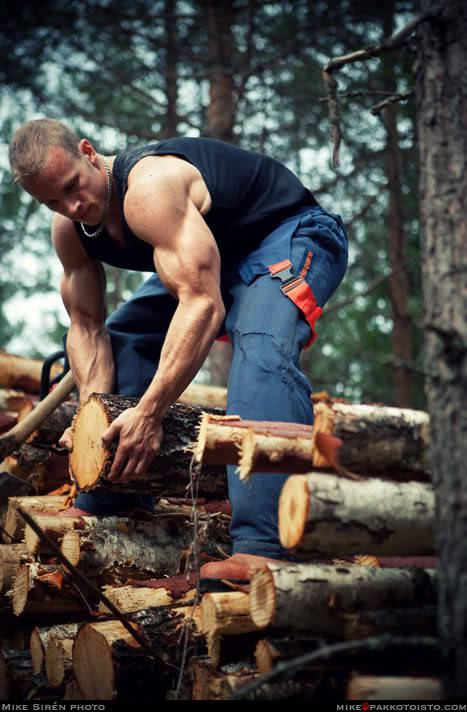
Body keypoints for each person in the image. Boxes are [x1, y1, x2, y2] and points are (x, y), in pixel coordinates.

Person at [8, 118, 348, 581]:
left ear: (88, 152)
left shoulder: (148, 188)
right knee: (124, 336)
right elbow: (87, 328)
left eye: (73, 186)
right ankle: (113, 497)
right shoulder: (69, 229)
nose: (72, 206)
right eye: (52, 201)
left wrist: (149, 414)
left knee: (262, 349)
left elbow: (204, 304)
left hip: (288, 234)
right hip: (211, 259)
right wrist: (93, 414)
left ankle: (268, 545)